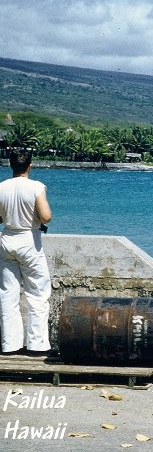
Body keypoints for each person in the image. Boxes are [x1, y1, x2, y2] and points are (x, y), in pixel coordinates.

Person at [0, 149, 53, 356]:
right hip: (29, 241)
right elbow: (46, 216)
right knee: (38, 293)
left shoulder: (1, 187)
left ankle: (10, 345)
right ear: (30, 165)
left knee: (7, 294)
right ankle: (37, 345)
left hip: (6, 240)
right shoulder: (36, 187)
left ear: (10, 165)